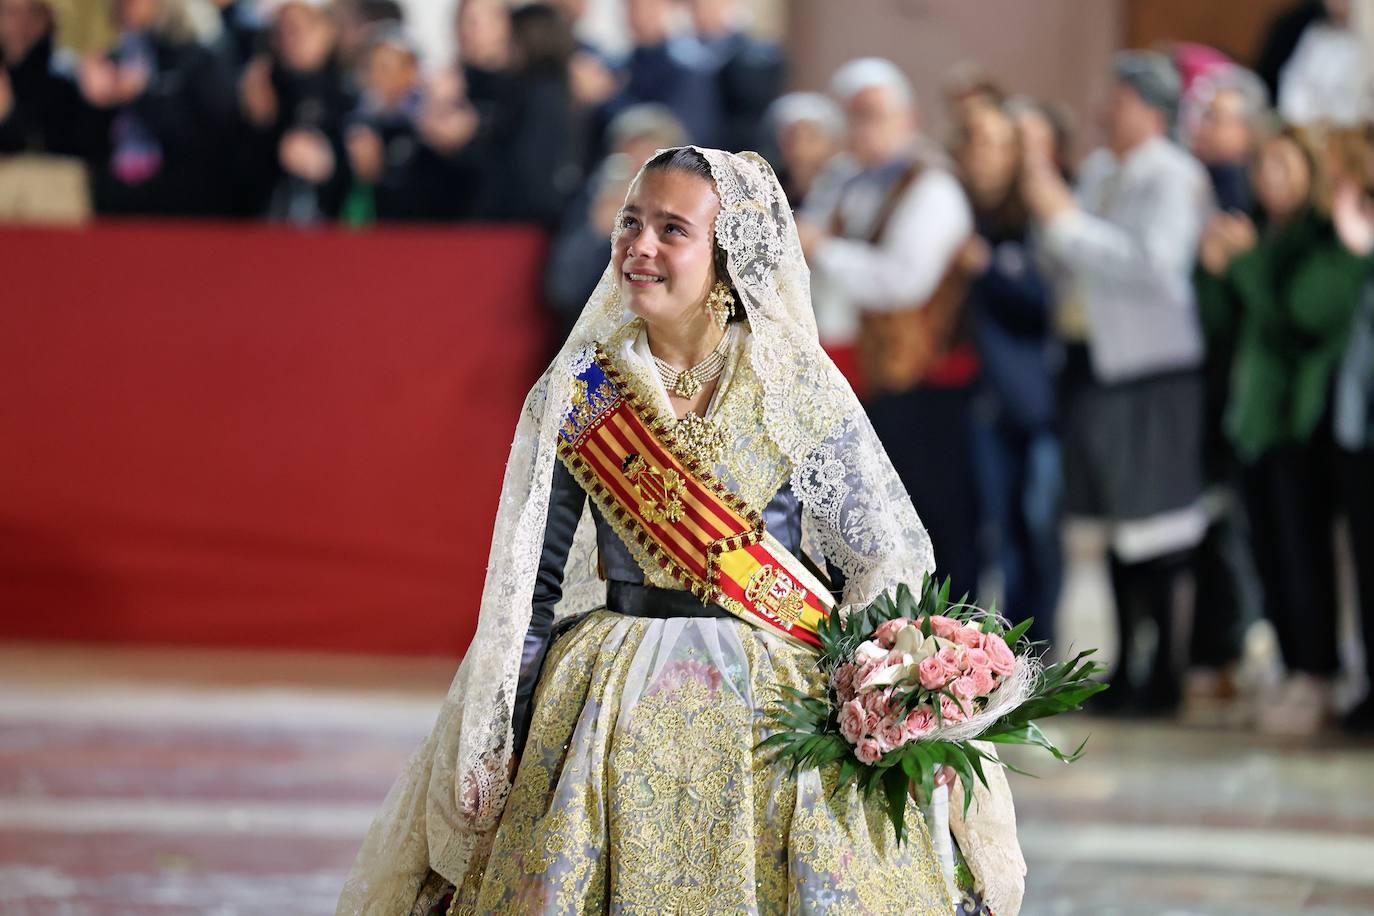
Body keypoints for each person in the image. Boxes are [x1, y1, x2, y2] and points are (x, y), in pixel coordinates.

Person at [336, 147, 1025, 916]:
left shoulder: (793, 385)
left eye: (672, 229)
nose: (641, 247)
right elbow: (529, 591)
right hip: (607, 703)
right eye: (630, 223)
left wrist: (883, 695)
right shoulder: (582, 389)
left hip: (773, 714)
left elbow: (881, 560)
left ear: (727, 255)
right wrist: (500, 740)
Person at [1023, 51, 1211, 715]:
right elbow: (1069, 255)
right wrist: (1054, 225)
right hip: (1090, 357)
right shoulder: (1103, 170)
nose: (1106, 110)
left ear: (1151, 109)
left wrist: (1066, 223)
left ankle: (1169, 672)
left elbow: (1156, 266)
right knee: (1107, 521)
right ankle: (1128, 666)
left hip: (1149, 368)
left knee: (1155, 525)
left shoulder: (1173, 174)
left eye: (1119, 100)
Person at [1197, 125, 1369, 734]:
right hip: (1255, 422)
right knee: (1269, 553)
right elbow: (1226, 321)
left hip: (1301, 422)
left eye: (1284, 166)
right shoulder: (1263, 233)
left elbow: (1300, 313)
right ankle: (1297, 668)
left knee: (1304, 555)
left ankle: (1316, 671)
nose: (1270, 179)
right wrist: (1214, 271)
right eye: (1263, 167)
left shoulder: (1325, 237)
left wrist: (1243, 266)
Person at [798, 57, 981, 604]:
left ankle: (950, 653)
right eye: (854, 116)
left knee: (930, 520)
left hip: (920, 381)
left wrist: (824, 248)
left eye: (875, 115)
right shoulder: (848, 181)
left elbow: (905, 282)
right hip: (861, 375)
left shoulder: (932, 187)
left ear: (909, 117)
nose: (863, 129)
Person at [954, 97, 1061, 649]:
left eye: (999, 144)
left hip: (1026, 399)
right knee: (974, 532)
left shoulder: (1033, 216)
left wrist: (989, 269)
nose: (987, 155)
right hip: (964, 394)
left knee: (1029, 531)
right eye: (977, 142)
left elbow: (1047, 302)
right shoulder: (954, 207)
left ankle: (1033, 657)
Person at [81, 0, 238, 216]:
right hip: (116, 202)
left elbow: (207, 133)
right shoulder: (114, 58)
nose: (122, 4)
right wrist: (93, 100)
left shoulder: (194, 55)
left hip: (179, 209)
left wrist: (140, 97)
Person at [680, 0, 784, 153]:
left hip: (739, 151)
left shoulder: (758, 55)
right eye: (695, 5)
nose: (701, 11)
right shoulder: (681, 56)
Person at [765, 90, 844, 209]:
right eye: (791, 137)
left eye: (811, 138)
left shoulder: (843, 186)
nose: (800, 148)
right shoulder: (768, 186)